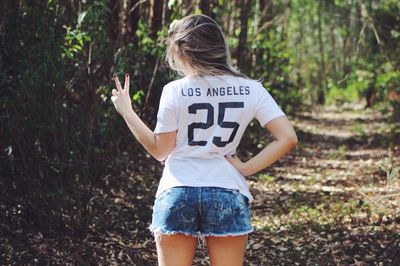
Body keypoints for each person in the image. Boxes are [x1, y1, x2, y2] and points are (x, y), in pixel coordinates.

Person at [111, 14, 298, 266]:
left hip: (177, 189)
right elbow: (287, 138)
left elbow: (159, 150)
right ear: (220, 47)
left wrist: (127, 112)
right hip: (227, 190)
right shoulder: (252, 89)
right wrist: (246, 168)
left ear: (182, 51)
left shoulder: (174, 90)